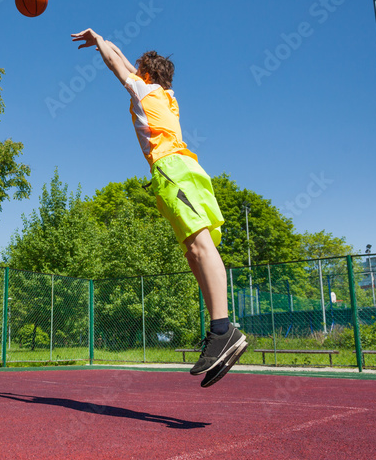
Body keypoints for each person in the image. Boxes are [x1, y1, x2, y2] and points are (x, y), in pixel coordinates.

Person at [71, 29, 247, 387]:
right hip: (185, 169)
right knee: (193, 251)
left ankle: (223, 329)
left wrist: (101, 44)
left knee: (200, 246)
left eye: (138, 68)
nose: (132, 70)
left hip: (172, 169)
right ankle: (221, 329)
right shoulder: (167, 95)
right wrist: (104, 38)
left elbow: (115, 65)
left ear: (146, 74)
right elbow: (121, 60)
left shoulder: (144, 89)